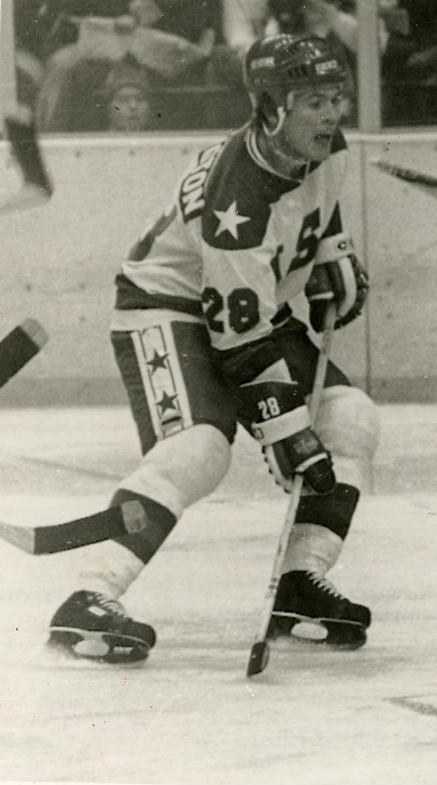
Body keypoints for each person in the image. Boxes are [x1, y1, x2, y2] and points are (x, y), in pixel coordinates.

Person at [43, 32, 378, 664]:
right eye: (313, 100)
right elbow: (240, 345)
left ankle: (300, 583)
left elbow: (320, 203)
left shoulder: (323, 144)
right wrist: (288, 433)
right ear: (272, 106)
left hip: (245, 310)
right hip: (165, 310)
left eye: (337, 96)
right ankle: (86, 596)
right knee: (198, 448)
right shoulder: (237, 198)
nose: (332, 113)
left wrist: (333, 249)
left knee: (352, 420)